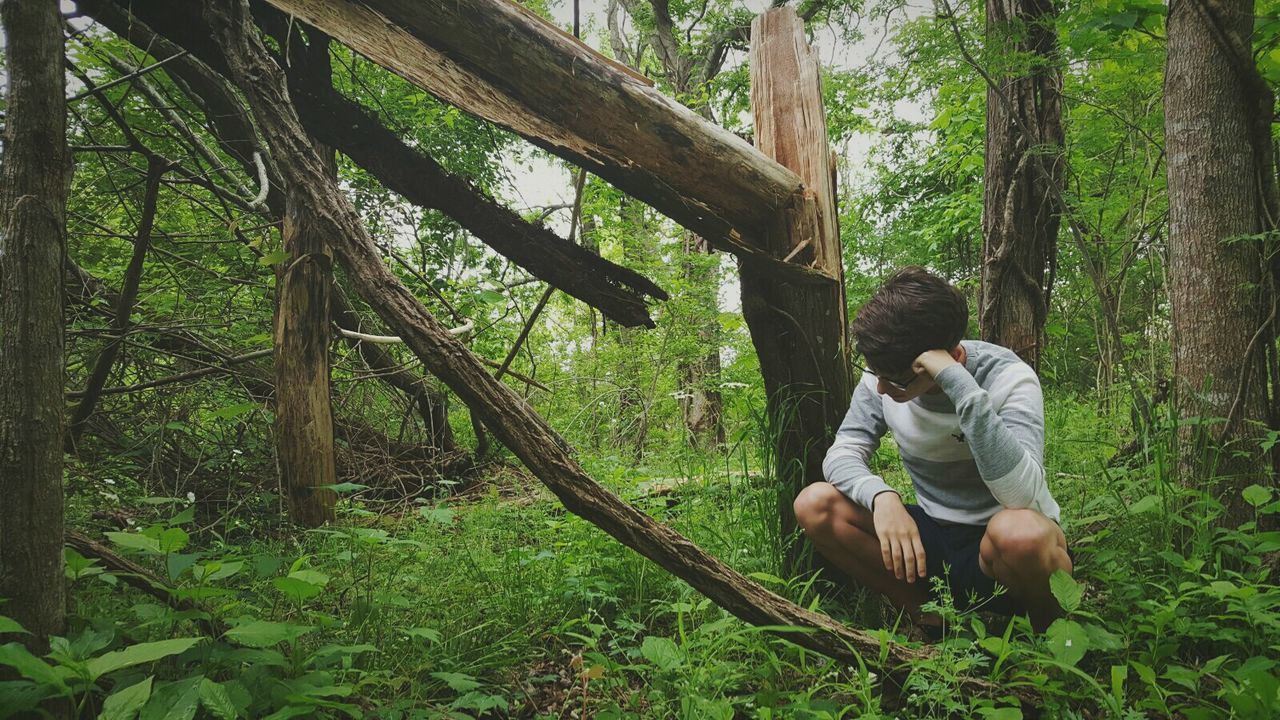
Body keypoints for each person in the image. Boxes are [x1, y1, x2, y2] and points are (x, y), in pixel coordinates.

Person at [794, 266, 1072, 634]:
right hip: (933, 541)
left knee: (1020, 533)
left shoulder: (1008, 377)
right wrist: (882, 498)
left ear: (953, 356)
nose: (880, 389)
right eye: (875, 374)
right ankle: (928, 617)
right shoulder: (884, 372)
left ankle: (1054, 639)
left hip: (1006, 546)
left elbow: (1021, 496)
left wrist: (961, 387)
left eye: (895, 381)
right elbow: (843, 452)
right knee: (814, 504)